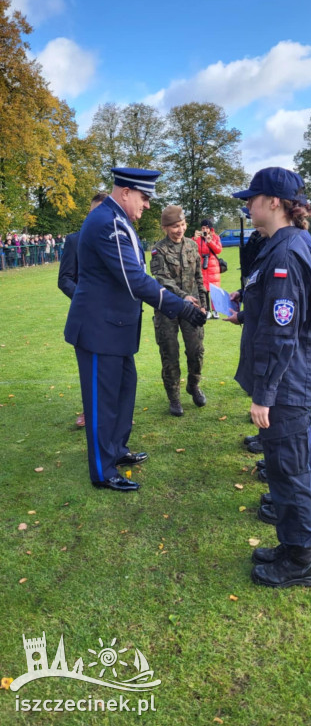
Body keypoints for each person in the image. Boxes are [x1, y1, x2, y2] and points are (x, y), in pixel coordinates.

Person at [64, 167, 206, 492]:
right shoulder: (106, 223)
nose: (146, 206)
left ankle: (116, 451)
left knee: (123, 392)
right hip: (99, 330)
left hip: (116, 329)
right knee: (103, 402)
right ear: (126, 191)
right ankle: (102, 471)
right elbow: (134, 279)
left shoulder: (118, 219)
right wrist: (180, 306)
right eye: (143, 198)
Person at [232, 166, 311, 588]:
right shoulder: (285, 244)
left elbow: (282, 331)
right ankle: (292, 546)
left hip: (287, 384)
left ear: (275, 202)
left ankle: (299, 561)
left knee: (288, 472)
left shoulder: (286, 252)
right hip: (292, 380)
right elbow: (276, 309)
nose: (247, 205)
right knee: (292, 467)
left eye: (252, 198)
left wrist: (264, 394)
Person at [150, 205, 207, 416]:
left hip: (192, 309)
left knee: (196, 350)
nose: (180, 229)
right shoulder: (159, 250)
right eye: (175, 226)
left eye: (182, 224)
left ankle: (194, 385)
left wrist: (203, 304)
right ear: (165, 227)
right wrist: (183, 297)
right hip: (168, 310)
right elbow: (161, 279)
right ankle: (174, 398)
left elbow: (200, 277)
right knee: (170, 353)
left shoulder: (192, 246)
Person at [58, 192, 108, 428]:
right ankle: (89, 412)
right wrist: (87, 299)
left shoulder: (117, 240)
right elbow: (65, 278)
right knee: (90, 368)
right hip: (86, 315)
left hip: (113, 317)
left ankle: (114, 412)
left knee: (113, 367)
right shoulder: (75, 240)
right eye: (94, 212)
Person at [193, 219, 222, 318]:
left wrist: (210, 241)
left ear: (210, 229)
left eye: (206, 228)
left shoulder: (215, 237)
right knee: (204, 289)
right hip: (202, 265)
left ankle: (216, 311)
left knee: (214, 290)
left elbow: (218, 250)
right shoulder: (198, 238)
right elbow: (192, 249)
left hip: (213, 266)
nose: (204, 230)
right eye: (202, 228)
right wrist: (194, 239)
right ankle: (207, 310)